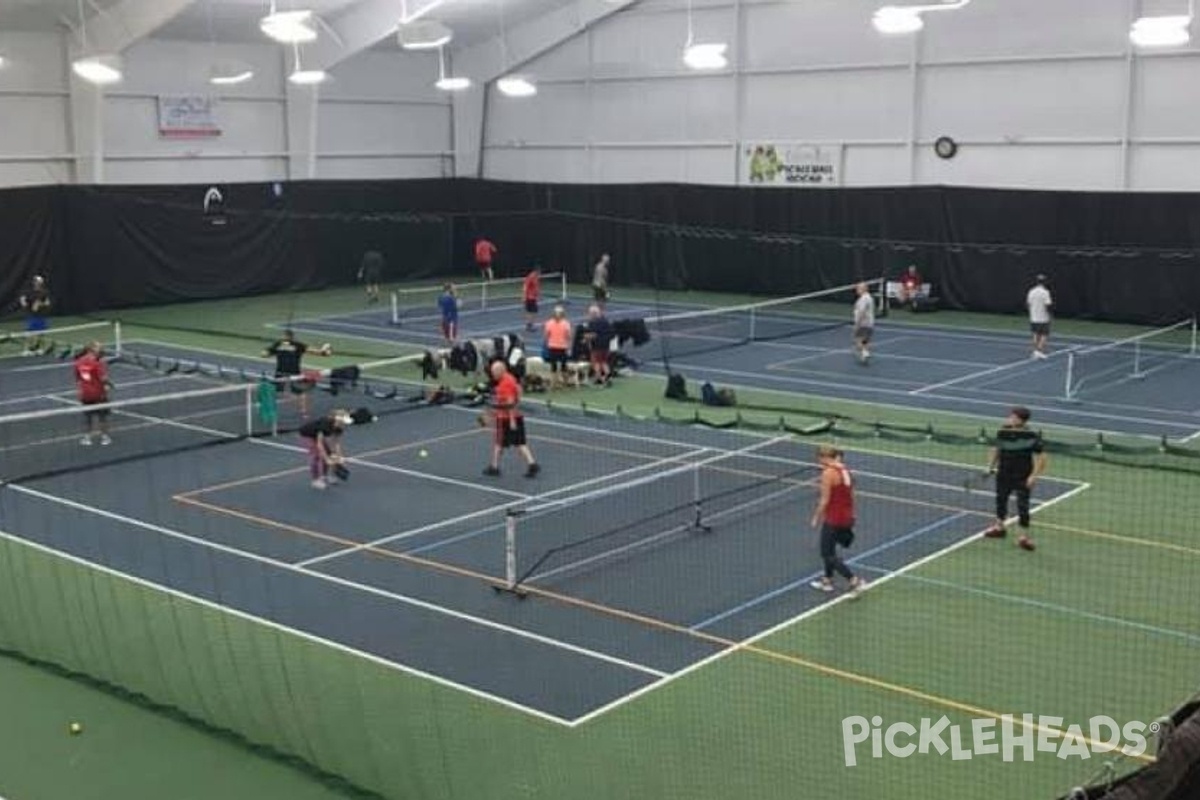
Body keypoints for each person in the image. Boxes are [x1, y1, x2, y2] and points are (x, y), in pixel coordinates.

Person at [984, 406, 1047, 552]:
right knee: (1000, 501)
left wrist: (1033, 476)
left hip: (1023, 476)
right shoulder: (1004, 431)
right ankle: (999, 528)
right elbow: (996, 449)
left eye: (1012, 416)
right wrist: (989, 466)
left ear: (1020, 420)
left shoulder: (1031, 435)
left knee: (1023, 507)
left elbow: (1042, 458)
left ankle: (1023, 537)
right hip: (1004, 473)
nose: (1009, 418)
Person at [809, 445, 866, 595]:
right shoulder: (845, 471)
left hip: (834, 518)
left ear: (824, 458)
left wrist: (816, 517)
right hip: (846, 516)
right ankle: (827, 580)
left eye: (819, 459)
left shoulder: (828, 473)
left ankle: (854, 580)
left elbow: (824, 500)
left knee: (827, 553)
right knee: (831, 549)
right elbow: (851, 494)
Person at [482, 361, 539, 478]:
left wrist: (511, 420)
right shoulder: (510, 378)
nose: (492, 375)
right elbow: (518, 391)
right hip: (515, 415)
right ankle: (531, 463)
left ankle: (494, 467)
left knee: (499, 443)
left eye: (494, 372)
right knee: (519, 442)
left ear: (500, 371)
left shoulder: (504, 384)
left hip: (506, 418)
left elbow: (509, 403)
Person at [263, 330, 331, 418]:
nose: (284, 338)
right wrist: (325, 352)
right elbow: (319, 353)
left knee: (299, 391)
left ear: (287, 336)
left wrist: (324, 352)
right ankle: (303, 412)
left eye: (285, 336)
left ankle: (302, 411)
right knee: (298, 391)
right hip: (286, 372)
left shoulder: (279, 344)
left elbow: (264, 354)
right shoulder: (293, 345)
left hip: (287, 372)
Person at [299, 409, 351, 490]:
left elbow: (336, 443)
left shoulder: (340, 427)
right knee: (316, 456)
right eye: (343, 422)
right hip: (307, 435)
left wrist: (340, 456)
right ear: (337, 420)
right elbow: (320, 444)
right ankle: (315, 480)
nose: (344, 424)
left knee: (329, 453)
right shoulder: (325, 424)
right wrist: (327, 459)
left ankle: (324, 476)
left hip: (317, 436)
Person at [74, 341, 113, 446]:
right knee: (102, 416)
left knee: (88, 417)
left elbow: (77, 378)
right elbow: (103, 378)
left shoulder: (79, 362)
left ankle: (87, 437)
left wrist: (80, 390)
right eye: (99, 348)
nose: (101, 350)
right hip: (98, 394)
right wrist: (110, 384)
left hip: (86, 394)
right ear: (92, 350)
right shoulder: (97, 363)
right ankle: (105, 437)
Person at [18, 275, 51, 356]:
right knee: (29, 333)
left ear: (41, 283)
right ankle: (26, 350)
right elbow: (22, 299)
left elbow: (47, 302)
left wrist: (40, 304)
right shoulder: (28, 291)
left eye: (39, 282)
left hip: (41, 315)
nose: (37, 283)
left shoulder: (44, 292)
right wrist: (24, 303)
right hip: (31, 315)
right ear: (33, 282)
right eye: (36, 281)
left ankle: (39, 349)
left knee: (41, 333)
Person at [542, 305, 572, 389]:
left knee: (554, 366)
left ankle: (553, 384)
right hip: (562, 347)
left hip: (553, 346)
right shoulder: (566, 323)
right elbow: (569, 336)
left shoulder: (549, 323)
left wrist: (547, 343)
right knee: (563, 366)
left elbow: (546, 336)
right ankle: (564, 384)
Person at [584, 304, 613, 385]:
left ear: (593, 313)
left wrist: (586, 338)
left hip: (596, 345)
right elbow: (612, 334)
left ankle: (598, 378)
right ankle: (608, 377)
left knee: (596, 362)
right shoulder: (606, 321)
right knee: (604, 362)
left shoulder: (592, 323)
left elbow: (591, 335)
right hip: (606, 346)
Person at [1027, 274, 1053, 359]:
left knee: (1035, 334)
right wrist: (1050, 315)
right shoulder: (1045, 292)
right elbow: (1048, 305)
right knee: (1044, 335)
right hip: (1043, 318)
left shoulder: (1031, 291)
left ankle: (1035, 351)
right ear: (1044, 282)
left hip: (1033, 317)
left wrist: (1032, 312)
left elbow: (1028, 304)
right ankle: (1039, 351)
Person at [852, 282, 875, 364]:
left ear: (863, 289)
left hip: (863, 324)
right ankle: (864, 355)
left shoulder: (864, 299)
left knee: (858, 341)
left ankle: (865, 353)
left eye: (858, 289)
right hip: (870, 323)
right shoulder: (869, 298)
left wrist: (857, 324)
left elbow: (862, 311)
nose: (857, 290)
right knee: (865, 341)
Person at [523, 267, 541, 332]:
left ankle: (530, 325)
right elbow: (525, 286)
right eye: (539, 272)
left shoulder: (536, 277)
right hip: (530, 297)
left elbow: (536, 287)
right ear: (536, 271)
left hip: (533, 297)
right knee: (531, 312)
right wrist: (524, 296)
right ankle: (529, 325)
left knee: (533, 312)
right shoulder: (531, 277)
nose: (540, 273)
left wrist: (537, 295)